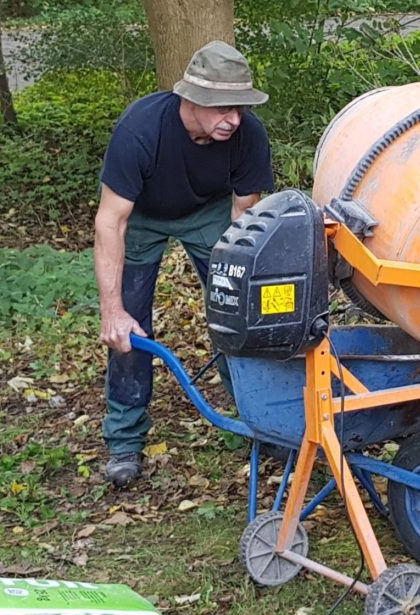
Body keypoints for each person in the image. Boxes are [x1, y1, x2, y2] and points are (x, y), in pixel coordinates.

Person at [94, 41, 275, 488]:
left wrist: (235, 289)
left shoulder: (248, 136)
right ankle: (125, 439)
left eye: (239, 108)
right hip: (141, 217)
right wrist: (112, 310)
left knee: (240, 314)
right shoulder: (141, 129)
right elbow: (110, 221)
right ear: (189, 99)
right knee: (130, 327)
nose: (233, 119)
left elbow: (244, 219)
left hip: (210, 214)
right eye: (222, 109)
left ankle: (263, 421)